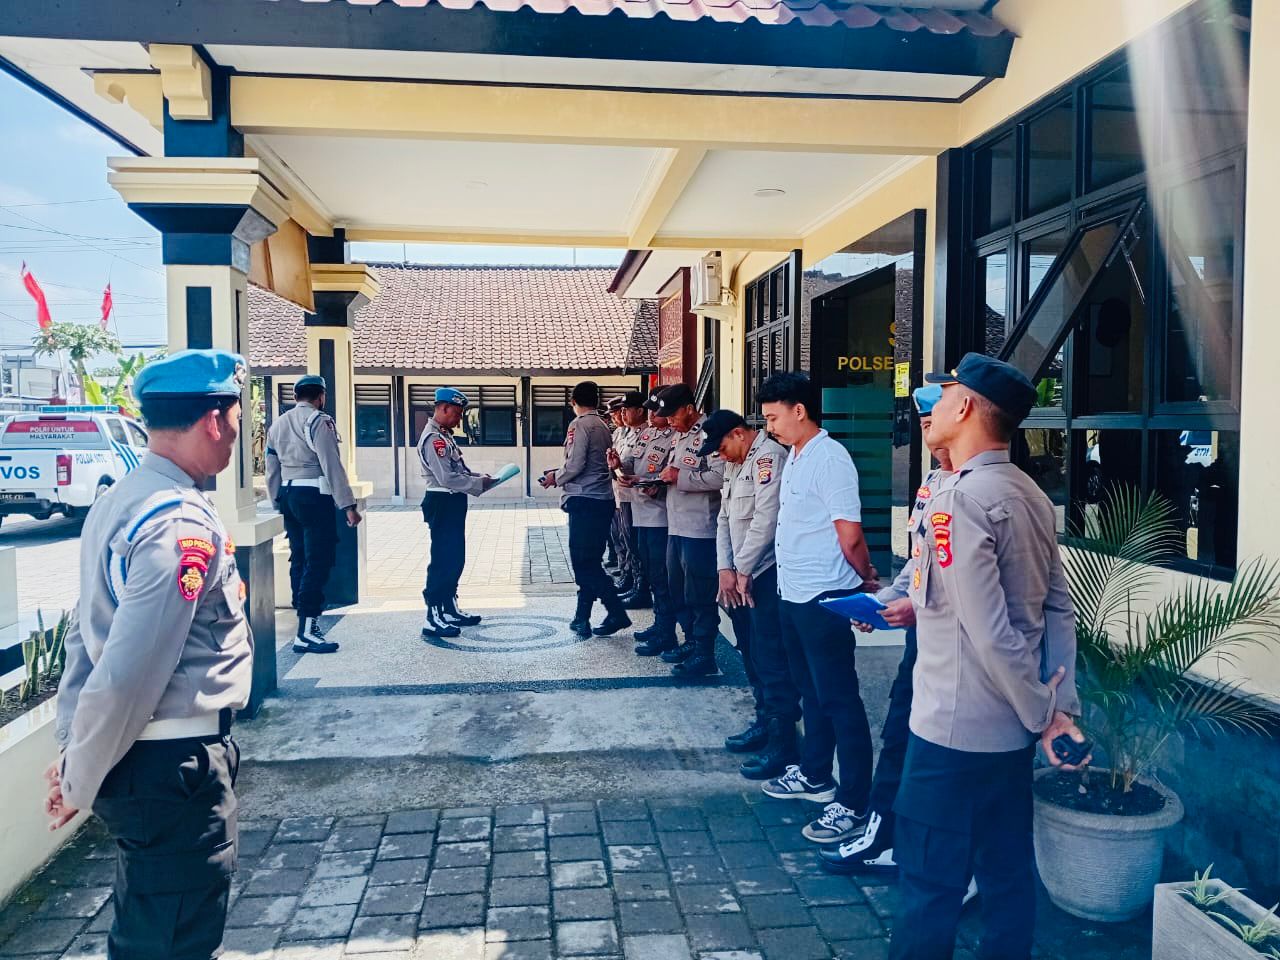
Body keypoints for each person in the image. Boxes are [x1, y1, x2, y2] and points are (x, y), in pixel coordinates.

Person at [46, 349, 253, 960]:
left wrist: (73, 750)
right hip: (172, 770)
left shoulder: (123, 500)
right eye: (237, 419)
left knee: (152, 929)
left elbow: (84, 642)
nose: (237, 435)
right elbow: (128, 672)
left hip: (145, 765)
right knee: (171, 941)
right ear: (213, 420)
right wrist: (79, 777)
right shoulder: (178, 522)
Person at [889, 353, 1087, 960]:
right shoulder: (1028, 491)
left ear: (967, 407)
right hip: (1006, 737)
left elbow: (988, 631)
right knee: (1006, 876)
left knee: (928, 886)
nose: (936, 404)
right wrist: (1058, 707)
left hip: (950, 735)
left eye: (946, 393)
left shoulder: (960, 500)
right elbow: (1058, 607)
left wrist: (1043, 714)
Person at [820, 384, 953, 874]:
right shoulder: (934, 483)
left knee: (926, 749)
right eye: (923, 422)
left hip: (959, 651)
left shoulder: (985, 491)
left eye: (934, 419)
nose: (927, 431)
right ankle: (885, 834)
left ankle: (905, 843)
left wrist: (919, 608)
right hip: (924, 645)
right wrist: (882, 603)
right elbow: (918, 564)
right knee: (900, 736)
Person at [757, 371, 877, 847]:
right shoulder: (796, 456)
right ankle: (814, 775)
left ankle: (854, 800)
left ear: (799, 410)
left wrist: (866, 579)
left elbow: (850, 534)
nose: (769, 427)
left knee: (839, 699)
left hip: (824, 597)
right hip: (794, 593)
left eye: (773, 418)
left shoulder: (831, 458)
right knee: (810, 691)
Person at [703, 408, 802, 781]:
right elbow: (725, 519)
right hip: (740, 576)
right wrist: (724, 569)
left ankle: (783, 744)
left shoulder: (768, 458)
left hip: (764, 574)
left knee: (771, 659)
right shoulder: (736, 462)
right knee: (750, 653)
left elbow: (766, 520)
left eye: (722, 446)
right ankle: (763, 723)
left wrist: (741, 569)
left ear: (739, 433)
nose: (721, 455)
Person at [265, 374, 362, 654]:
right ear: (321, 396)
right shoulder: (319, 420)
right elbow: (331, 464)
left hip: (288, 495)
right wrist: (348, 505)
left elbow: (271, 469)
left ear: (296, 397)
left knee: (299, 558)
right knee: (318, 560)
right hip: (314, 496)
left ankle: (303, 623)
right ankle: (307, 630)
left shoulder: (278, 424)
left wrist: (276, 501)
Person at [541, 381, 631, 638]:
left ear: (573, 402)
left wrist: (555, 477)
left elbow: (576, 463)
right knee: (590, 561)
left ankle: (615, 611)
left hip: (585, 500)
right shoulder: (603, 425)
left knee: (584, 563)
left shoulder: (579, 424)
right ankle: (582, 617)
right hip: (602, 499)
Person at [654, 383, 725, 678]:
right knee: (678, 590)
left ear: (689, 409)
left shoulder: (710, 433)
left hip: (700, 529)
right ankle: (691, 641)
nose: (669, 420)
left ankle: (705, 653)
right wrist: (657, 486)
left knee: (700, 593)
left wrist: (680, 476)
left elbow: (720, 476)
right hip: (676, 526)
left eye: (673, 415)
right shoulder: (679, 436)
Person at [417, 387, 495, 640]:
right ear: (443, 408)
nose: (459, 419)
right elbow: (447, 477)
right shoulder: (434, 439)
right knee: (443, 559)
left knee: (455, 558)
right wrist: (478, 484)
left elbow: (459, 471)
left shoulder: (444, 436)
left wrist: (479, 477)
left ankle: (449, 608)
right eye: (457, 414)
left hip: (452, 501)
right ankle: (433, 615)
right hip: (442, 502)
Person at [619, 391, 678, 656]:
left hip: (660, 517)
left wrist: (656, 486)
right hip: (640, 511)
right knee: (651, 574)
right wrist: (619, 466)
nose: (652, 415)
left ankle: (667, 632)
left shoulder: (675, 438)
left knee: (661, 577)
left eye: (657, 411)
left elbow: (671, 477)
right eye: (651, 410)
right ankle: (659, 623)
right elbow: (631, 464)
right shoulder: (647, 434)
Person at [610, 392, 652, 608]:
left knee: (636, 545)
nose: (623, 413)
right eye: (622, 410)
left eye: (627, 409)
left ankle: (641, 588)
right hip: (624, 495)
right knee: (628, 542)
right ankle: (634, 583)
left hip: (640, 499)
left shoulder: (647, 434)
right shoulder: (627, 433)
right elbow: (625, 466)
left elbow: (641, 468)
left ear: (640, 411)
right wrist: (616, 465)